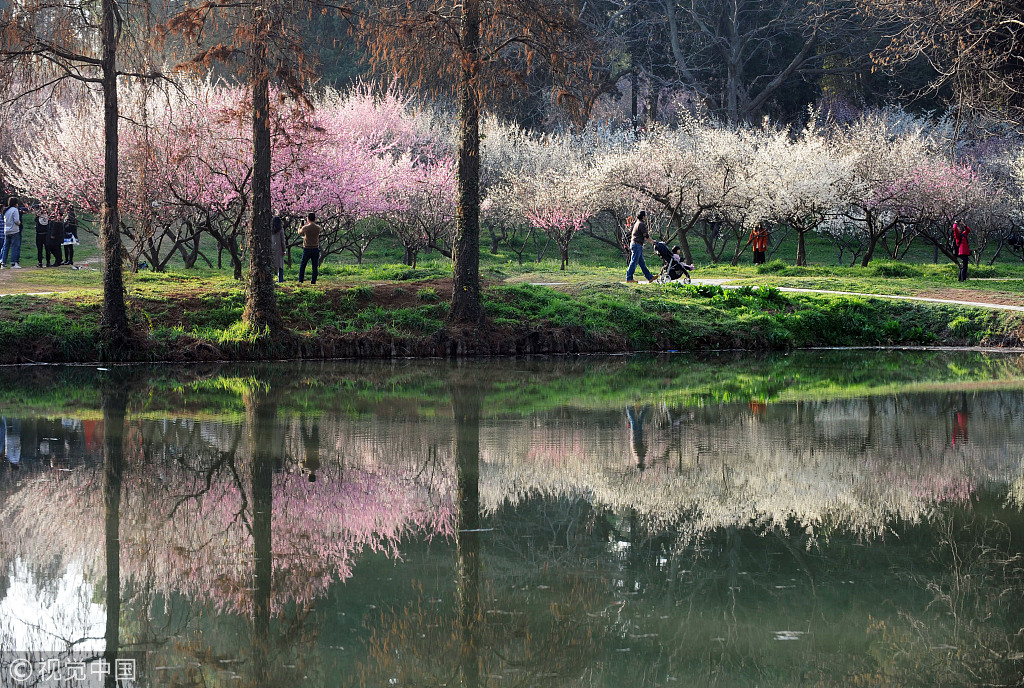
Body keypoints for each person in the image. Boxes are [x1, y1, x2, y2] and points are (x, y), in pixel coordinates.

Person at [626, 210, 654, 283]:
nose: (646, 217)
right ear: (643, 216)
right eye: (645, 215)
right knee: (634, 261)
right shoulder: (641, 224)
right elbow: (645, 235)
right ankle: (629, 278)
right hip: (637, 244)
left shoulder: (637, 223)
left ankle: (649, 277)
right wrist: (652, 241)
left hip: (635, 244)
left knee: (641, 263)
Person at [297, 212, 321, 285]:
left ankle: (301, 280)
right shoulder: (318, 227)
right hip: (315, 248)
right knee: (314, 266)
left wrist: (300, 226)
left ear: (308, 219)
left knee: (303, 265)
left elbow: (299, 232)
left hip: (307, 248)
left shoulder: (306, 227)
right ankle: (313, 281)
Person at [1, 197, 22, 269]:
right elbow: (16, 220)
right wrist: (19, 223)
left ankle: (3, 263)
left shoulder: (6, 210)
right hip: (14, 230)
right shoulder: (15, 210)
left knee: (5, 247)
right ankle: (13, 263)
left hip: (6, 230)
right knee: (14, 246)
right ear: (15, 203)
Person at [271, 210, 285, 283]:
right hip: (279, 249)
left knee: (271, 265)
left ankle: (271, 280)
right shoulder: (281, 230)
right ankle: (280, 280)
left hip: (271, 248)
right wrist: (284, 250)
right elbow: (282, 240)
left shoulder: (270, 229)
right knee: (280, 265)